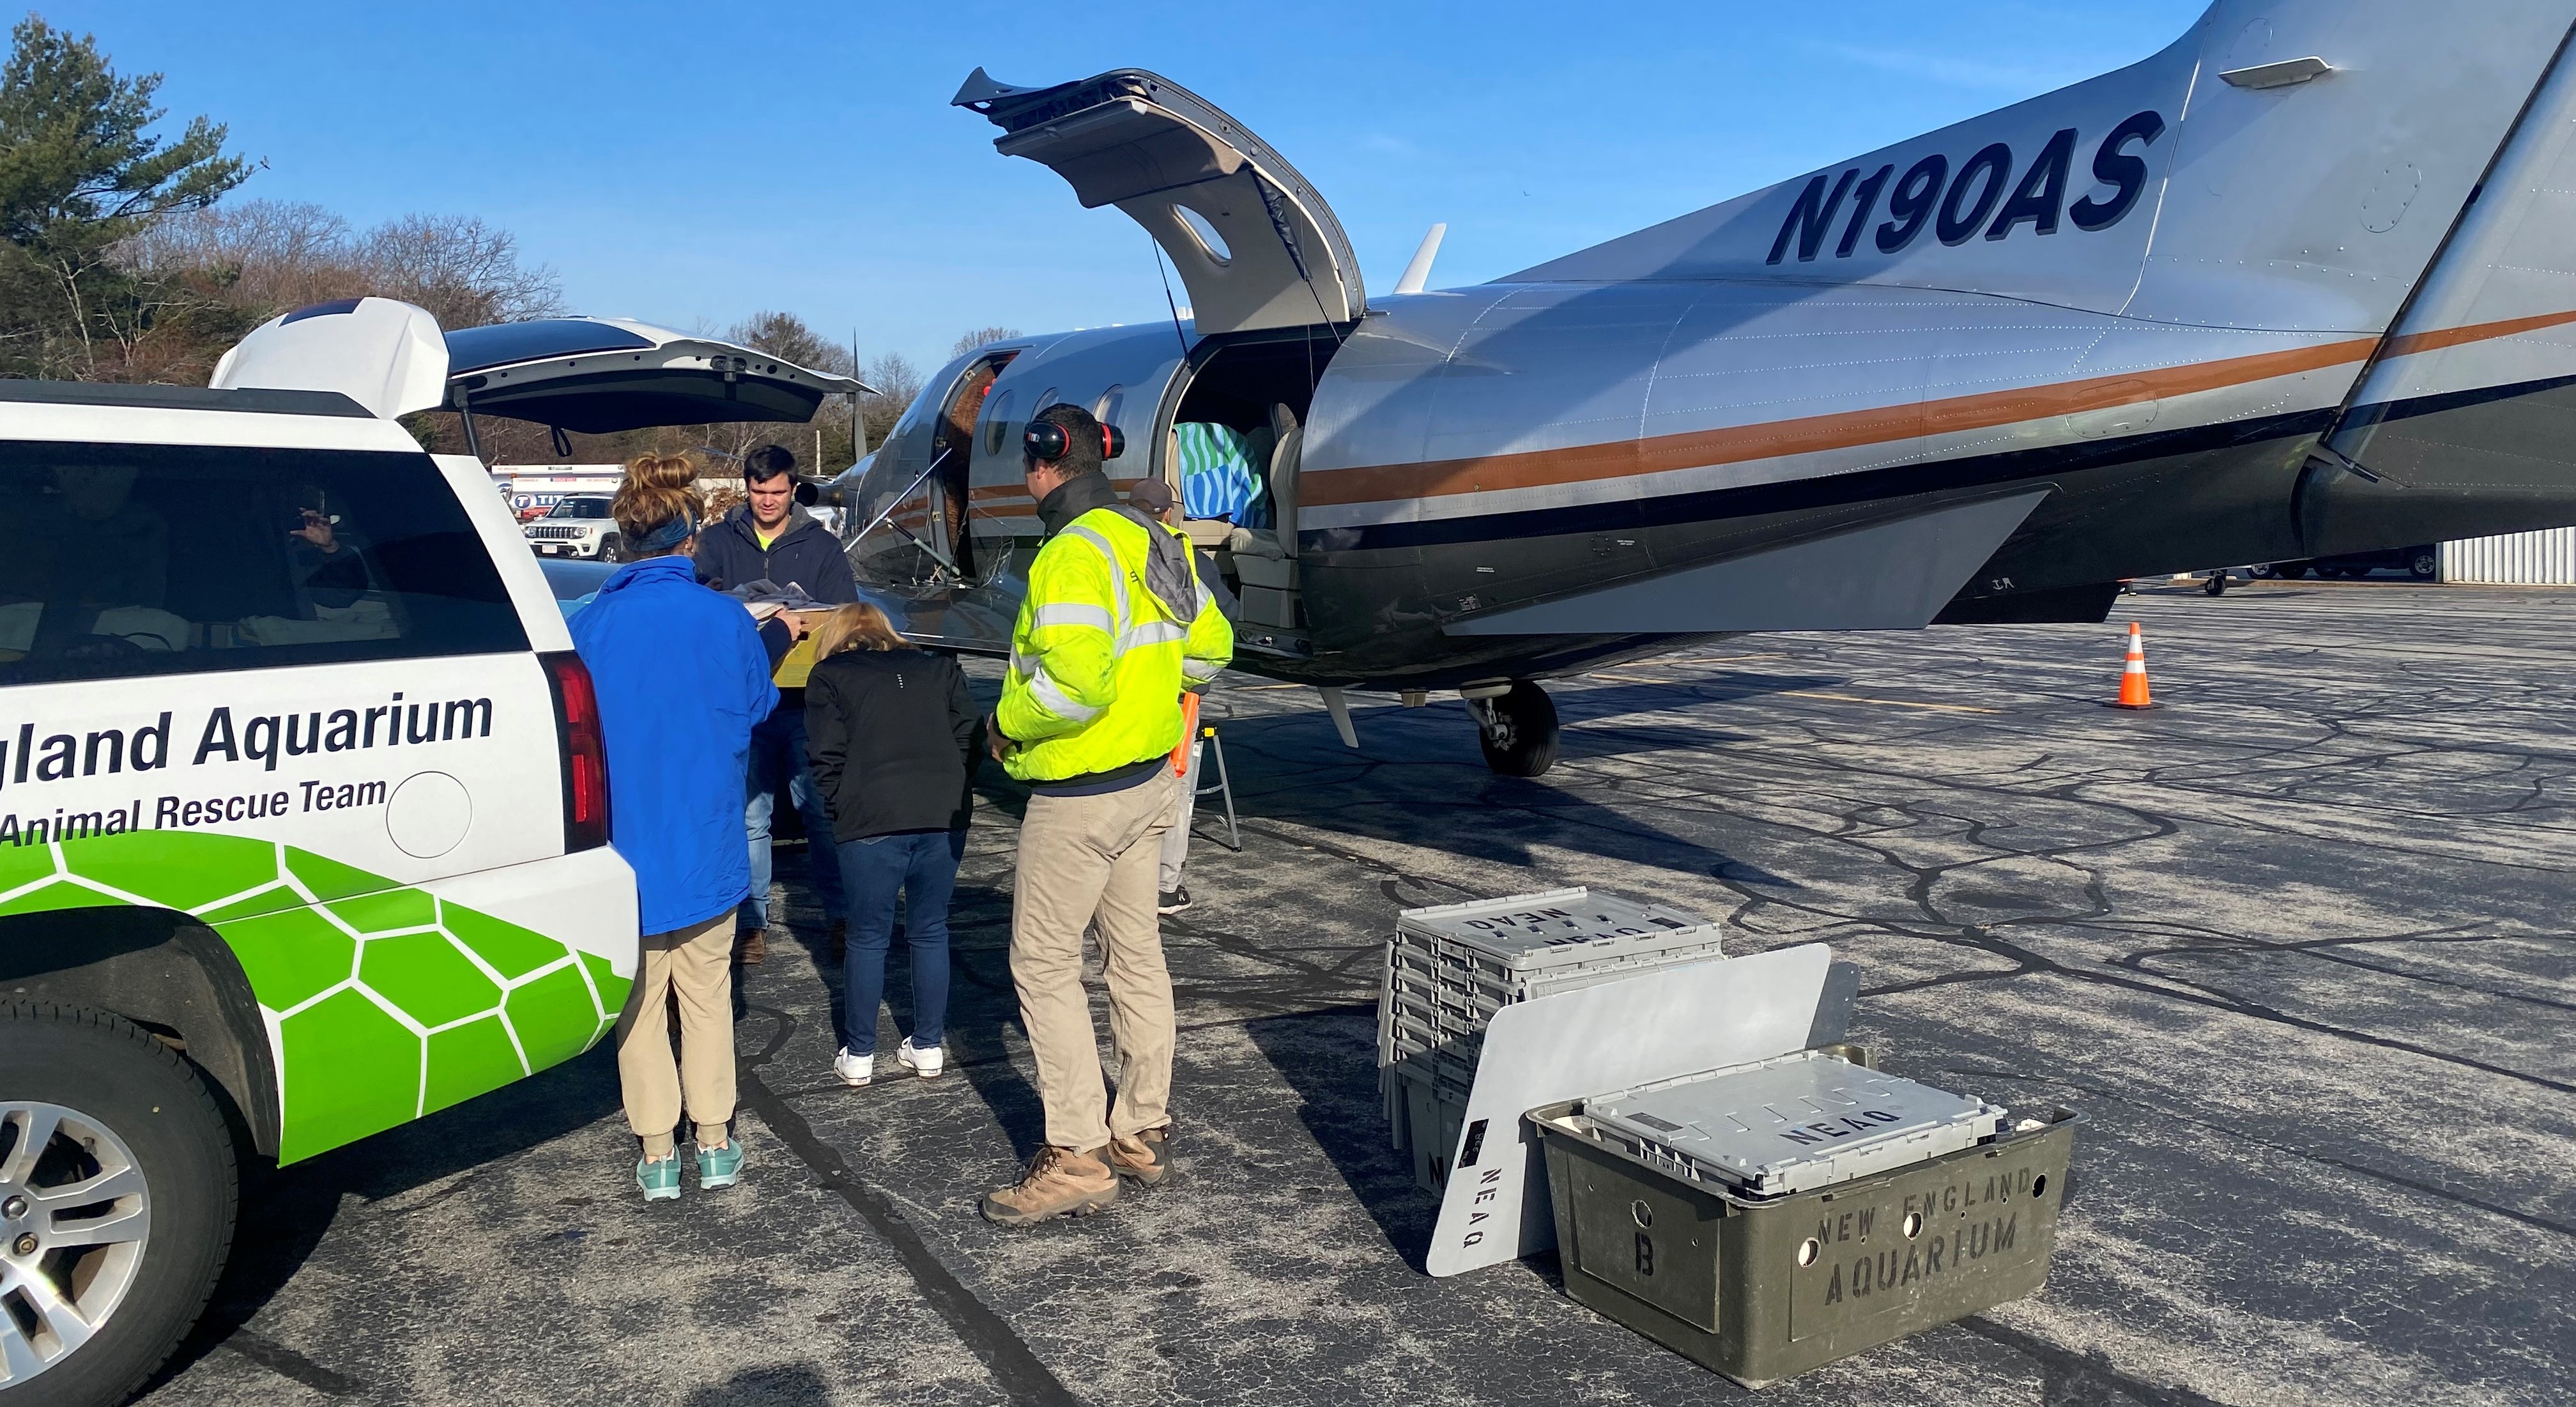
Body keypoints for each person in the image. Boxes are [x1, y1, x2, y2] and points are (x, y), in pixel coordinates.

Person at [979, 404, 1232, 1226]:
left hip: (1082, 795)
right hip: (1150, 785)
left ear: (1042, 463)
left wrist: (1004, 723)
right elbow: (1209, 650)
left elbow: (1071, 688)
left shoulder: (1069, 555)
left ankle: (1079, 1153)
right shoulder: (1152, 538)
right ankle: (1142, 1127)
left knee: (1045, 966)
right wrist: (1148, 698)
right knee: (1135, 953)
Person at [571, 452, 780, 1202]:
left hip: (623, 853)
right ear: (689, 536)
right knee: (706, 996)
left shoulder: (587, 625)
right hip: (707, 843)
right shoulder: (723, 618)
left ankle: (658, 1152)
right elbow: (758, 709)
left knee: (639, 1006)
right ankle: (717, 1140)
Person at [803, 604, 982, 1088]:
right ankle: (927, 1045)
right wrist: (956, 786)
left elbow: (825, 754)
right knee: (930, 929)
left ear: (838, 636)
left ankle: (860, 1053)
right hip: (941, 812)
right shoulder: (938, 668)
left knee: (867, 936)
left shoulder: (830, 676)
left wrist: (840, 806)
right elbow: (970, 735)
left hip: (870, 817)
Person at [693, 443, 857, 967]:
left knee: (822, 815)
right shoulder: (718, 541)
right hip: (743, 703)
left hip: (807, 703)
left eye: (778, 492)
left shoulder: (822, 547)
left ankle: (842, 918)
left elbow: (847, 617)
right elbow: (698, 604)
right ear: (747, 488)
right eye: (759, 492)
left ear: (794, 490)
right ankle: (751, 924)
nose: (768, 501)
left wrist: (809, 625)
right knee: (748, 817)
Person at [1126, 477, 1235, 916]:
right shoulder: (1189, 559)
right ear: (1169, 515)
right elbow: (1223, 627)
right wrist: (1190, 678)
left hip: (1124, 693)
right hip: (1176, 698)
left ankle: (1121, 881)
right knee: (1175, 789)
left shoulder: (1108, 552)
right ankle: (1164, 886)